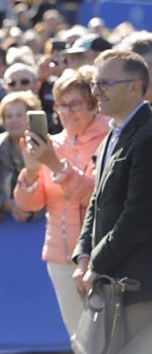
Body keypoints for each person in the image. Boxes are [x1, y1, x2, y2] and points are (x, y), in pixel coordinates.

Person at [14, 67, 108, 336]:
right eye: (61, 105)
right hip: (60, 257)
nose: (66, 112)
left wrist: (55, 164)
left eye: (74, 104)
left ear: (93, 106)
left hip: (102, 257)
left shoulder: (110, 140)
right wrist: (32, 170)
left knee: (108, 339)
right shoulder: (51, 144)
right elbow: (29, 204)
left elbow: (97, 198)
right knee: (78, 338)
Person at [72, 50, 152, 351]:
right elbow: (96, 201)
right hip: (109, 279)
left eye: (105, 82)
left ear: (134, 86)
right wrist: (82, 254)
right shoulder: (112, 135)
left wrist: (97, 260)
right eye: (95, 82)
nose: (96, 91)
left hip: (140, 284)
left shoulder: (148, 135)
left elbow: (139, 216)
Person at [0, 91, 42, 223]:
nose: (14, 120)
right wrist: (7, 205)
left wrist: (32, 209)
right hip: (1, 225)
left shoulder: (44, 147)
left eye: (19, 115)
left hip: (39, 225)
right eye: (8, 116)